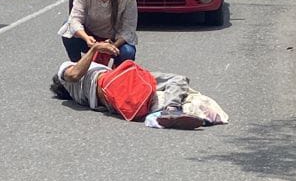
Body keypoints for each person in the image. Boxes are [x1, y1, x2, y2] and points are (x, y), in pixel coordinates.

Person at [51, 44, 205, 129]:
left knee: (145, 96)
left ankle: (165, 111)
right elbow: (74, 74)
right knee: (176, 80)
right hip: (109, 82)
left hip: (111, 92)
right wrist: (94, 49)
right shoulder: (65, 72)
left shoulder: (78, 92)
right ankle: (172, 109)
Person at [60, 0, 138, 68]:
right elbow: (75, 19)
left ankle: (116, 74)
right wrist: (87, 38)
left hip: (115, 40)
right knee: (67, 29)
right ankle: (78, 66)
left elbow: (129, 29)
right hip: (90, 37)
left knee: (128, 52)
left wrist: (112, 46)